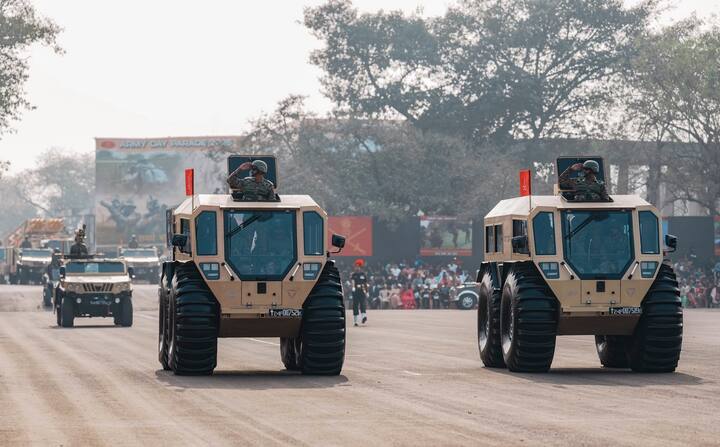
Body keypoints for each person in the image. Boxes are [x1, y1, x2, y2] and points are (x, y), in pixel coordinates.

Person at [351, 259, 369, 326]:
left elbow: (365, 283)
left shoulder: (363, 274)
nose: (356, 268)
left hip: (362, 290)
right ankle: (356, 321)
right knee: (355, 305)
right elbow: (353, 281)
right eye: (356, 266)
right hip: (355, 291)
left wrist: (367, 291)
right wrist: (353, 287)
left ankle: (364, 317)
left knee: (362, 304)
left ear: (360, 267)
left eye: (358, 266)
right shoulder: (354, 274)